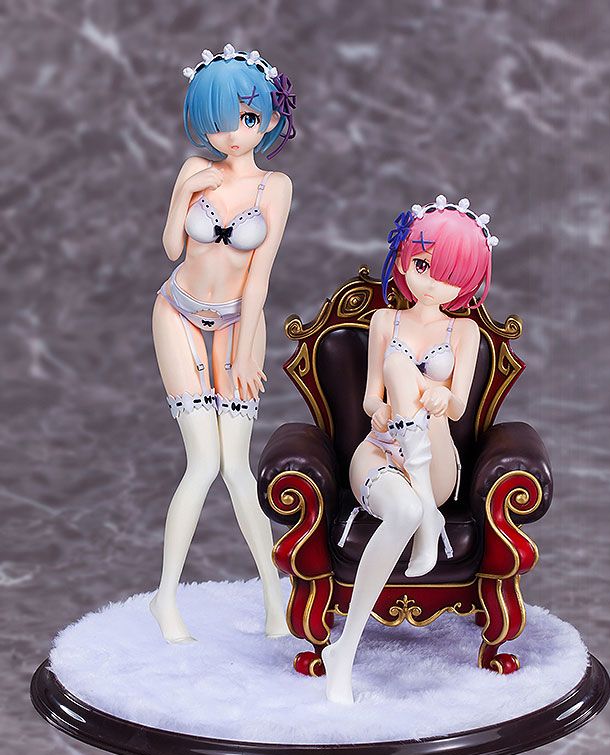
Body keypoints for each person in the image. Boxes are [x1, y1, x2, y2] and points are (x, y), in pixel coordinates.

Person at [322, 195, 497, 703]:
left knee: (407, 372)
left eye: (448, 275)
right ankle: (343, 653)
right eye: (423, 265)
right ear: (404, 260)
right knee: (404, 510)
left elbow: (459, 406)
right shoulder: (385, 322)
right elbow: (370, 398)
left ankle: (428, 510)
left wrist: (442, 396)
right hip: (379, 452)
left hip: (434, 457)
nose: (431, 282)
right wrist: (379, 409)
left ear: (465, 283)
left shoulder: (464, 331)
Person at [150, 45, 296, 643]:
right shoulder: (195, 169)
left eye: (246, 117)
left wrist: (244, 352)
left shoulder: (275, 187)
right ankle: (166, 597)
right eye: (216, 121)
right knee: (203, 462)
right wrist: (183, 192)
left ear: (267, 117)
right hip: (178, 313)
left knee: (237, 468)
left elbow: (258, 279)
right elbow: (171, 248)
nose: (232, 133)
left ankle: (274, 599)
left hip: (240, 323)